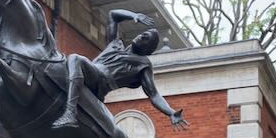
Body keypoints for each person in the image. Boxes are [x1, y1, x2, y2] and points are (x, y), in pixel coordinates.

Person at [57, 9, 187, 129]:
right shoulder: (115, 44)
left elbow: (154, 94)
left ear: (147, 49)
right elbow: (112, 15)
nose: (141, 36)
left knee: (75, 58)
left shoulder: (142, 64)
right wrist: (134, 15)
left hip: (99, 83)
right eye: (143, 34)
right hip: (88, 72)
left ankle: (70, 112)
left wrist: (170, 112)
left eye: (145, 38)